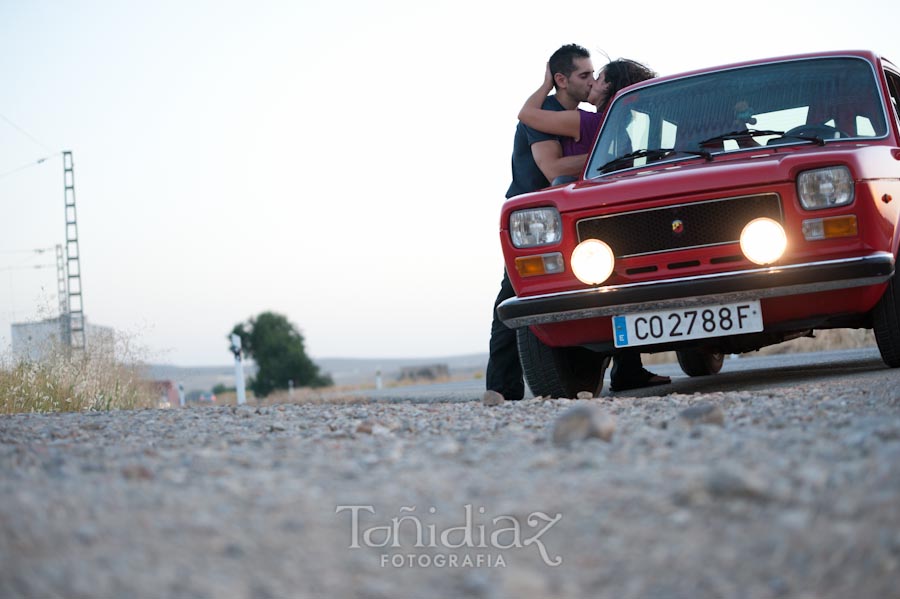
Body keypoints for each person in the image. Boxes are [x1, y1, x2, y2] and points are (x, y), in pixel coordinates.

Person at [516, 57, 671, 392]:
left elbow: (527, 116)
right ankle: (628, 369)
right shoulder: (623, 126)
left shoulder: (588, 121)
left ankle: (504, 387)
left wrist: (546, 84)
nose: (592, 83)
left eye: (598, 78)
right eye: (587, 76)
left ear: (610, 88)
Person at [486, 44, 596, 402]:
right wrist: (606, 157)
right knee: (513, 300)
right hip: (532, 224)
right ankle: (502, 391)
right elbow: (551, 171)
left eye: (593, 73)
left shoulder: (575, 114)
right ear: (561, 80)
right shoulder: (544, 113)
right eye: (584, 75)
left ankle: (617, 373)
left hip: (567, 216)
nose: (591, 80)